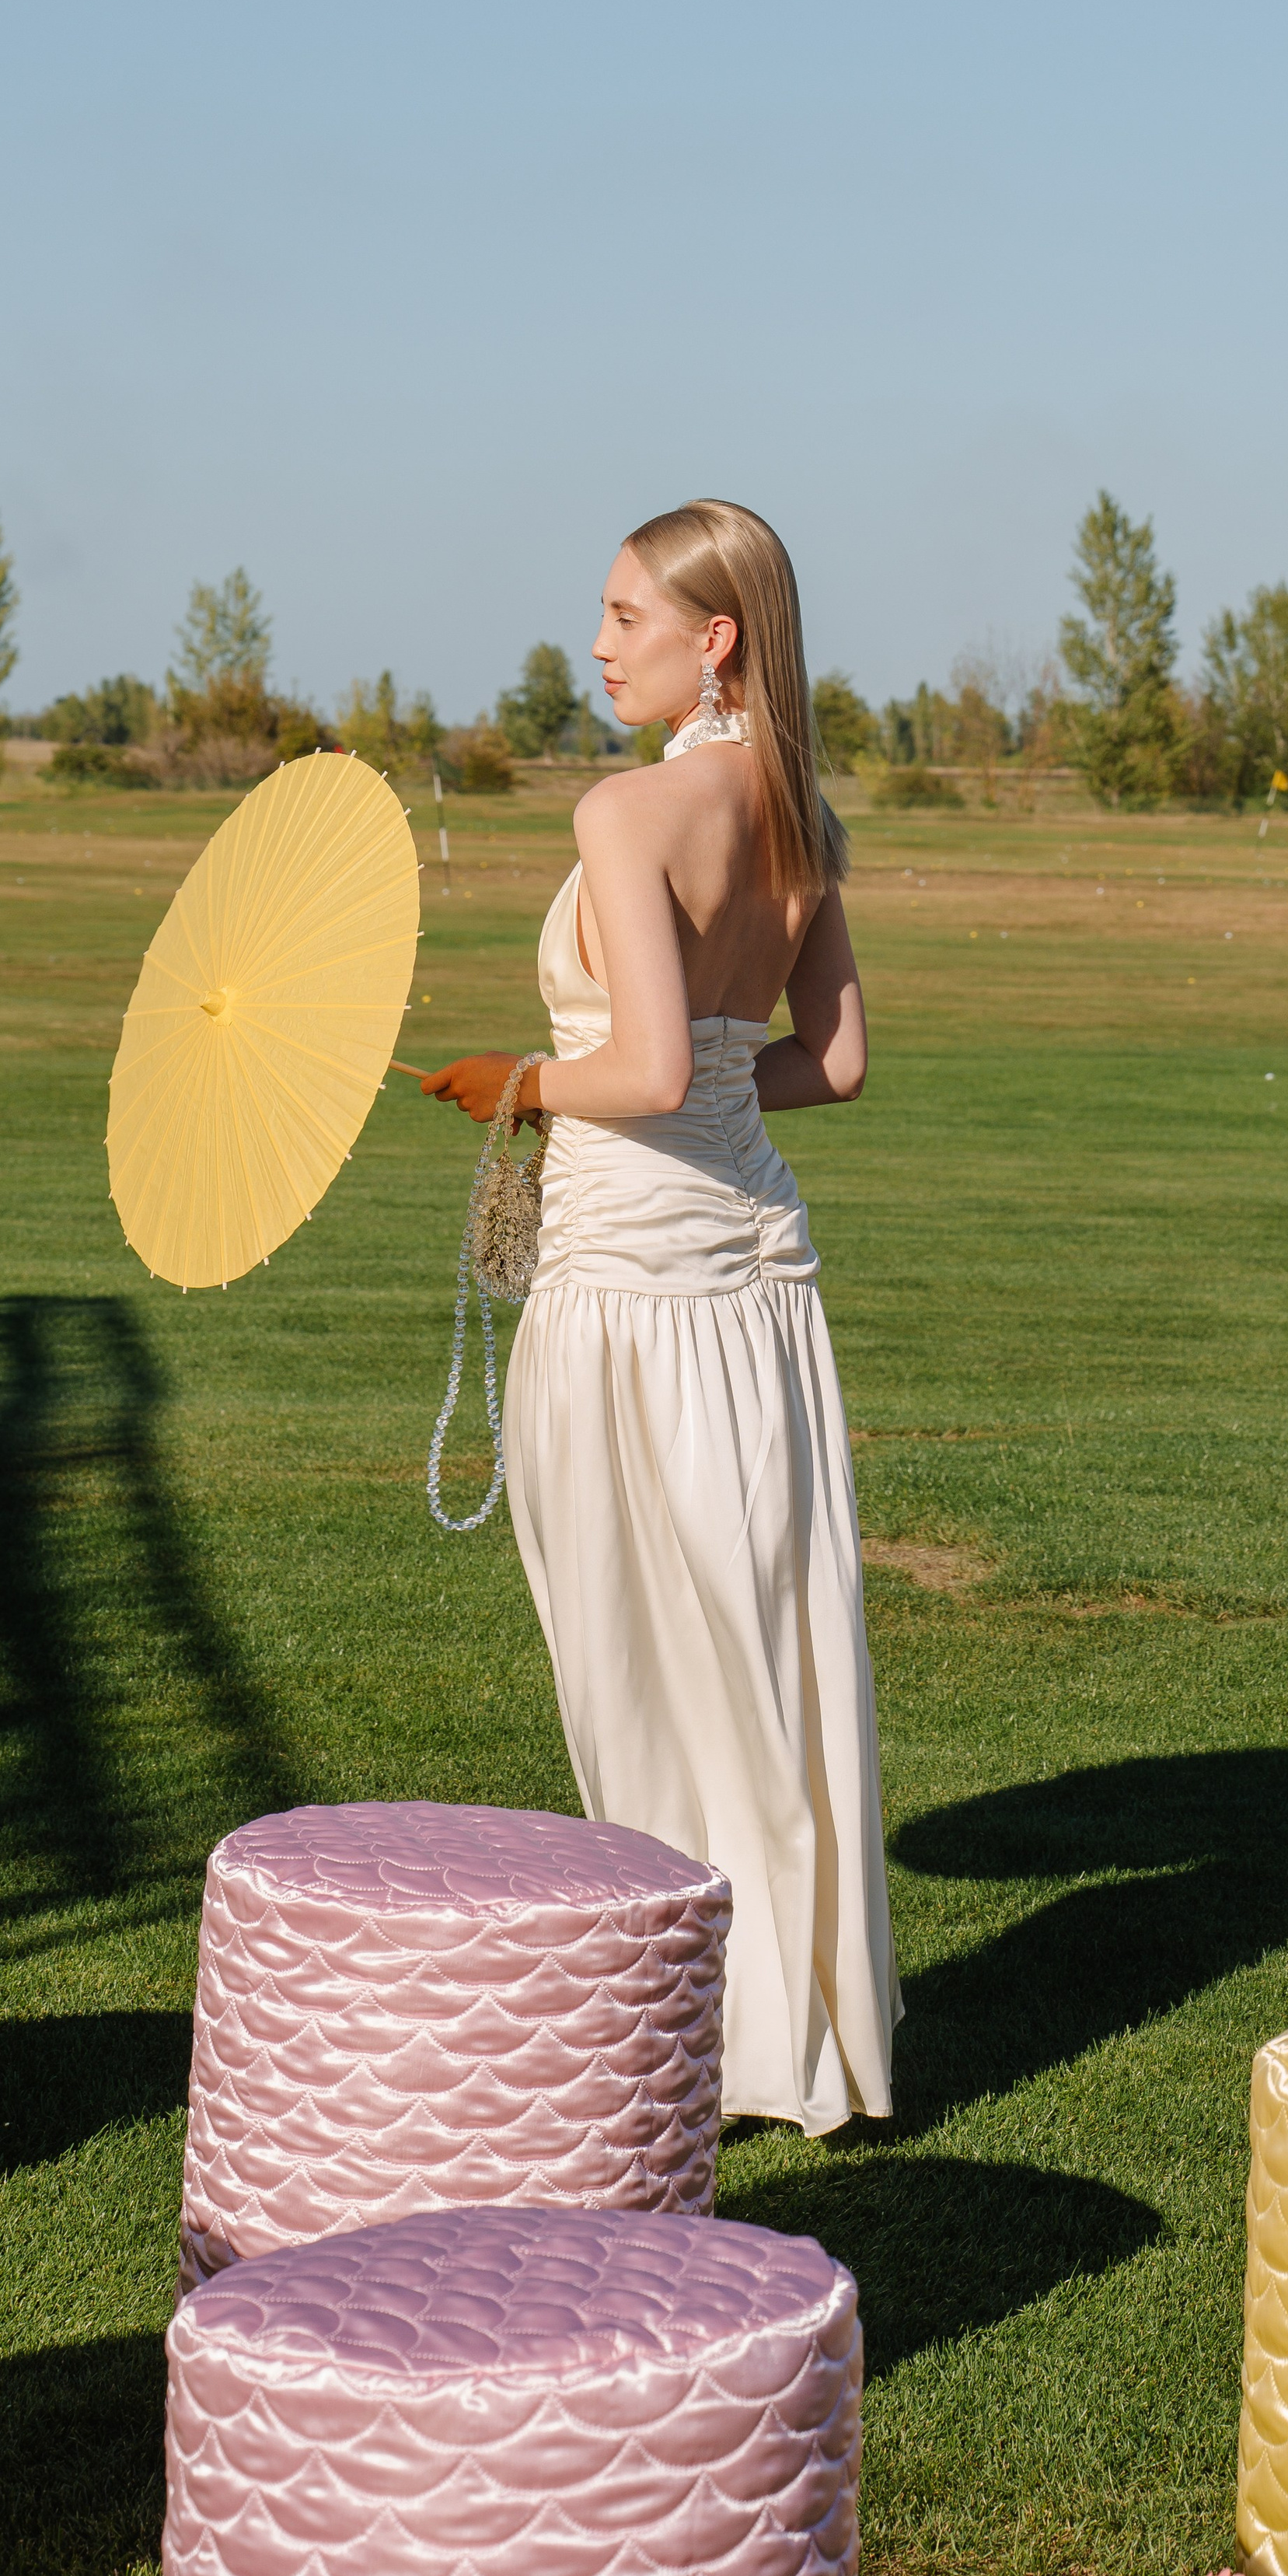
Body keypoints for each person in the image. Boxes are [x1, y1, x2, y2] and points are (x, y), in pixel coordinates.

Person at [421, 498, 899, 2135]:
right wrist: (694, 1088)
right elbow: (823, 1064)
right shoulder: (800, 819)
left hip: (626, 1280)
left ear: (715, 637)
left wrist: (512, 1082)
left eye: (626, 614)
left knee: (634, 1652)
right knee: (761, 1652)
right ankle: (799, 2026)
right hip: (756, 1269)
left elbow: (625, 1066)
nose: (597, 641)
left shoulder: (626, 809)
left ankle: (692, 2019)